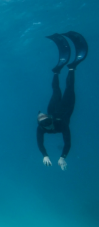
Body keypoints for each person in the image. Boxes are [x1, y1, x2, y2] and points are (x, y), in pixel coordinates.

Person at [37, 31, 88, 171]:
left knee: (56, 90)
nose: (44, 118)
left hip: (54, 108)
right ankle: (71, 68)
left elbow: (41, 143)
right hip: (66, 108)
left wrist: (46, 155)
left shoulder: (44, 126)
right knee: (67, 88)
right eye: (44, 119)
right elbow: (67, 142)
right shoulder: (59, 126)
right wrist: (61, 157)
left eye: (43, 117)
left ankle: (57, 71)